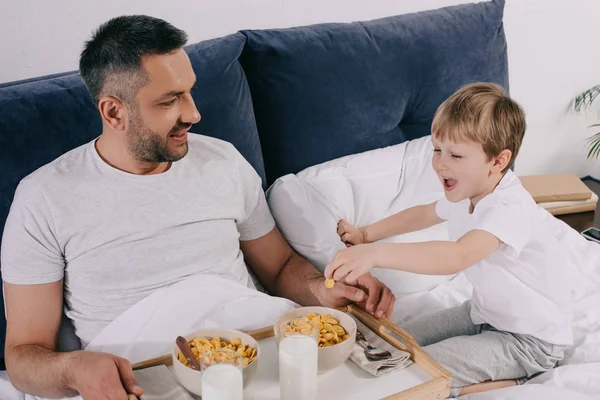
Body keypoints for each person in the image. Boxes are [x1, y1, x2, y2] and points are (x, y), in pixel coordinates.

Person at [0, 15, 395, 399]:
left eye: (189, 91)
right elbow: (23, 356)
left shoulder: (222, 161)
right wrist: (75, 368)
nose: (193, 113)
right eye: (170, 100)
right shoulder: (45, 198)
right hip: (145, 373)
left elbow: (278, 267)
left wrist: (322, 291)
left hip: (255, 353)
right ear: (114, 112)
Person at [325, 82, 572, 397]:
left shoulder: (509, 208)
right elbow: (424, 214)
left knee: (420, 373)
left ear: (498, 161)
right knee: (392, 344)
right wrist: (365, 234)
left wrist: (374, 254)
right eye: (437, 149)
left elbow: (457, 256)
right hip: (483, 313)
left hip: (531, 341)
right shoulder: (469, 190)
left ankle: (516, 380)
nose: (441, 163)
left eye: (455, 154)